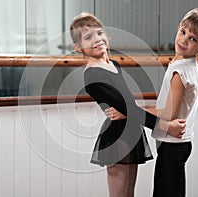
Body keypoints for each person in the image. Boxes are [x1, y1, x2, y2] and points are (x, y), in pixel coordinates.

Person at [70, 12, 186, 197]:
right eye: (88, 37)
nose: (97, 39)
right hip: (117, 138)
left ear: (107, 36)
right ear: (78, 47)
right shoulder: (92, 75)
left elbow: (127, 107)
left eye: (99, 33)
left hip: (132, 131)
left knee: (129, 193)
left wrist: (127, 112)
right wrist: (165, 127)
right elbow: (128, 107)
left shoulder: (114, 65)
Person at [106, 8, 198, 197]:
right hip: (177, 144)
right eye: (183, 32)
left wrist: (129, 112)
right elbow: (165, 108)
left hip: (173, 145)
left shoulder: (180, 71)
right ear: (178, 28)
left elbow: (168, 115)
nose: (183, 40)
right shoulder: (184, 64)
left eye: (193, 39)